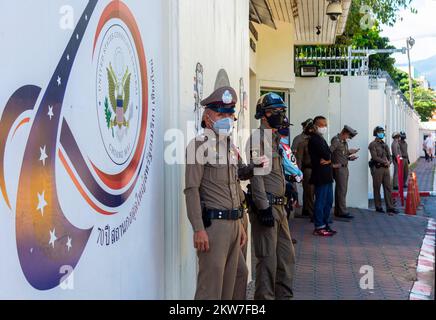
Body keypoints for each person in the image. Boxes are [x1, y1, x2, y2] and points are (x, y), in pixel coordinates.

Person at [185, 86, 257, 300]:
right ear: (207, 118)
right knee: (211, 287)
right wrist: (198, 229)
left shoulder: (229, 147)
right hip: (214, 227)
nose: (226, 118)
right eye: (220, 114)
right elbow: (191, 190)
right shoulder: (198, 146)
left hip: (234, 224)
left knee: (236, 280)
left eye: (229, 114)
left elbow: (234, 184)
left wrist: (239, 223)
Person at [246, 92, 295, 300]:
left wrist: (288, 186)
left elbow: (274, 171)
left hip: (280, 209)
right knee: (267, 263)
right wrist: (263, 207)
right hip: (267, 208)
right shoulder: (258, 139)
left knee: (286, 260)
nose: (280, 114)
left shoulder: (274, 138)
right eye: (274, 111)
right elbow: (257, 176)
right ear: (263, 115)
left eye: (281, 111)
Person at [308, 116, 336, 236]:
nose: (324, 127)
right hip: (320, 175)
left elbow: (329, 155)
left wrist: (329, 160)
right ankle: (319, 226)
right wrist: (329, 157)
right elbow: (326, 153)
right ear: (315, 126)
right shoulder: (314, 139)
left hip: (327, 175)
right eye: (321, 124)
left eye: (325, 124)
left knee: (328, 201)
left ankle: (325, 224)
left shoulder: (321, 139)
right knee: (320, 201)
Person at [278, 121, 303, 245]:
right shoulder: (278, 145)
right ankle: (283, 238)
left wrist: (298, 173)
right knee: (284, 210)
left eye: (287, 127)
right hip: (284, 180)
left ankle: (285, 236)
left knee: (288, 209)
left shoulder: (285, 144)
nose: (286, 130)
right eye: (284, 127)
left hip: (290, 180)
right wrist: (298, 173)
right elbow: (287, 164)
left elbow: (292, 162)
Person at [368, 126, 399, 215]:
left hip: (386, 168)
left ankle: (390, 207)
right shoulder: (372, 144)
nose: (382, 133)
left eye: (382, 131)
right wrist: (384, 162)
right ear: (376, 133)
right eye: (380, 131)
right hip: (377, 168)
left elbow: (389, 155)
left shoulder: (384, 144)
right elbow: (374, 157)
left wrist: (389, 162)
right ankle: (378, 207)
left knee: (388, 188)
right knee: (377, 188)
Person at [330, 125, 359, 219]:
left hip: (344, 167)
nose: (349, 138)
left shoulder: (343, 142)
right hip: (339, 169)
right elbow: (328, 152)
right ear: (344, 133)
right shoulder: (336, 140)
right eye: (349, 136)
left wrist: (350, 156)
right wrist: (331, 164)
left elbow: (342, 154)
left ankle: (339, 210)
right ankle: (342, 211)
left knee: (341, 190)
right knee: (342, 190)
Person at [295, 119, 315, 219]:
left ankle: (307, 210)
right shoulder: (299, 139)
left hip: (315, 169)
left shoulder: (316, 139)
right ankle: (309, 212)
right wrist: (297, 172)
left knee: (311, 192)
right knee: (309, 192)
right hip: (306, 168)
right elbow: (296, 156)